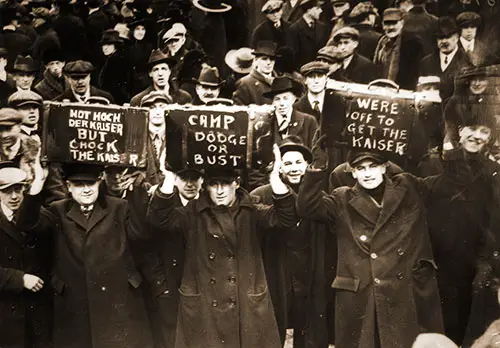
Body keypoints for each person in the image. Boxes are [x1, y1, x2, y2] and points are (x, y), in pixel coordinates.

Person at [296, 134, 481, 348]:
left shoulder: (410, 187)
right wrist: (318, 164)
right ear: (352, 172)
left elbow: (451, 183)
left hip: (406, 294)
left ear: (385, 167)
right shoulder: (341, 198)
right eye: (361, 168)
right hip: (363, 297)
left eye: (373, 166)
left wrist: (453, 147)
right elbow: (306, 207)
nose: (367, 173)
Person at [148, 144, 297, 348]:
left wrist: (274, 177)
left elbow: (287, 218)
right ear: (205, 186)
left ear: (236, 183)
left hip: (245, 304)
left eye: (225, 183)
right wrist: (168, 176)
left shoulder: (252, 210)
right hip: (205, 306)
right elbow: (159, 219)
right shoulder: (193, 212)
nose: (219, 191)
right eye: (213, 184)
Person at [16, 161, 155, 348]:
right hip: (74, 305)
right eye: (79, 185)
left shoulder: (120, 207)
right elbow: (28, 224)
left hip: (117, 302)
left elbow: (141, 236)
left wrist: (136, 189)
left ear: (99, 182)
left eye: (90, 184)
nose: (86, 189)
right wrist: (35, 189)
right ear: (68, 187)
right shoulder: (57, 210)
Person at [251, 136, 333, 348]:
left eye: (299, 162)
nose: (294, 168)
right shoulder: (261, 195)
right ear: (279, 168)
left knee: (309, 330)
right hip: (278, 269)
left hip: (309, 270)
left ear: (307, 165)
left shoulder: (317, 198)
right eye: (287, 163)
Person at [0, 166, 53, 348]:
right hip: (5, 309)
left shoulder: (40, 216)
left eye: (18, 189)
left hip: (36, 310)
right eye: (6, 191)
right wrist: (19, 278)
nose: (14, 196)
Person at [419, 16, 473, 105]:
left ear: (457, 37)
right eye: (440, 38)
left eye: (447, 37)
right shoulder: (426, 63)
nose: (443, 41)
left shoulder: (468, 62)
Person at [374, 7, 424, 90]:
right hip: (380, 90)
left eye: (393, 23)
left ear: (402, 22)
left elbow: (415, 72)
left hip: (402, 91)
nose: (390, 27)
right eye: (386, 24)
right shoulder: (382, 42)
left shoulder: (413, 42)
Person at [232, 40, 278, 105]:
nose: (269, 63)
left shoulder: (281, 81)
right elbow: (238, 111)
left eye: (272, 59)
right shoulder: (245, 83)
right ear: (255, 60)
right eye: (264, 59)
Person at [289, 0, 329, 69]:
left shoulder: (322, 27)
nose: (321, 11)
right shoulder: (294, 29)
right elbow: (293, 57)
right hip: (302, 71)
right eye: (317, 8)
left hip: (320, 69)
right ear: (308, 10)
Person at [97, 29, 131, 105]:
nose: (105, 48)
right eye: (103, 45)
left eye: (108, 45)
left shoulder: (118, 61)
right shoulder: (108, 59)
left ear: (115, 45)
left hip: (116, 101)